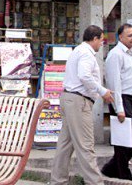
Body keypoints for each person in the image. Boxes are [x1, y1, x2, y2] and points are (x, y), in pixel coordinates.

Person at [50, 25, 114, 185]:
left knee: (65, 145)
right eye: (101, 40)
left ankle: (58, 181)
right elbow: (84, 75)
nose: (102, 44)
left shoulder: (78, 51)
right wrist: (102, 91)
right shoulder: (86, 53)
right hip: (79, 102)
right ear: (94, 39)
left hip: (69, 99)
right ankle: (95, 182)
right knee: (86, 145)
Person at [101, 23, 132, 180]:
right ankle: (123, 174)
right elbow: (114, 83)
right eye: (130, 35)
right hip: (122, 99)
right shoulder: (116, 54)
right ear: (120, 37)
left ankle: (110, 168)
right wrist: (118, 107)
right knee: (123, 140)